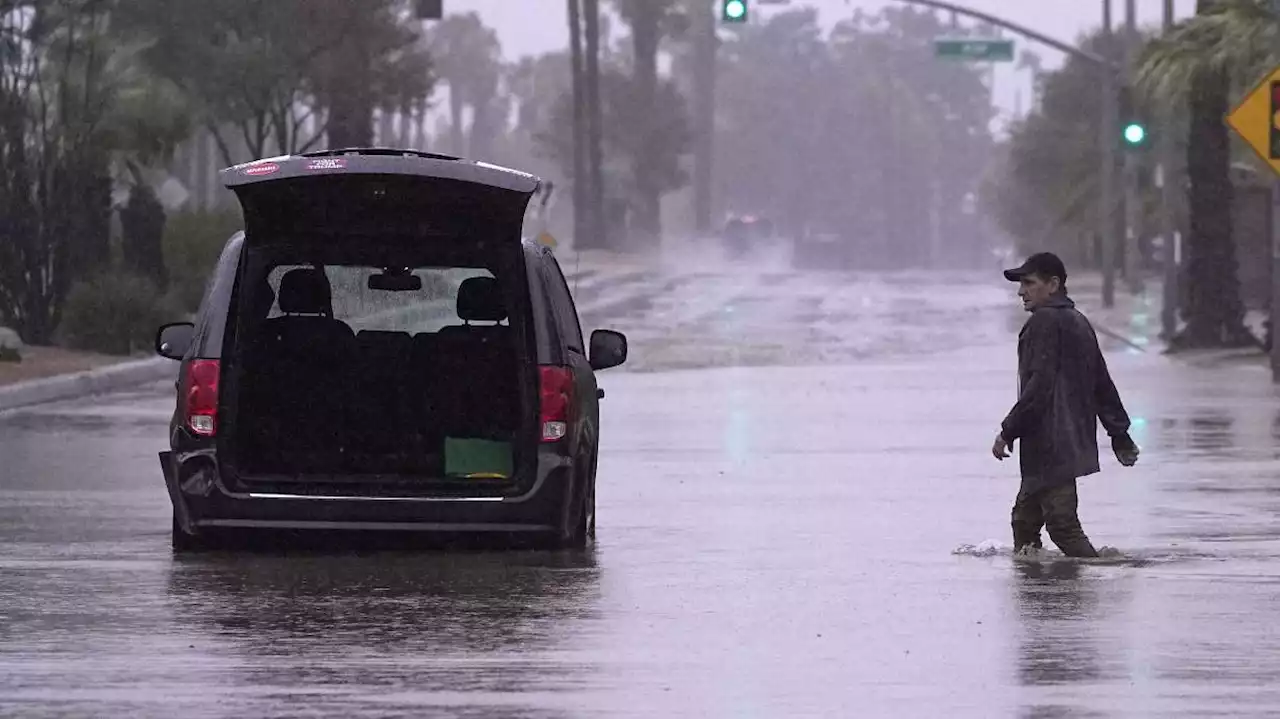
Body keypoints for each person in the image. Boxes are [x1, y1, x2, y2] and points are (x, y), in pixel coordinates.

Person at [992, 252, 1140, 558]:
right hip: (1068, 441)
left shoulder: (1044, 322)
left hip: (1051, 444)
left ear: (1053, 284)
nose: (1021, 291)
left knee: (1062, 526)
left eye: (1029, 283)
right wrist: (1119, 433)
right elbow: (1102, 382)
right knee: (1024, 521)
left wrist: (1008, 431)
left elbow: (1039, 388)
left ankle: (1077, 597)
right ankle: (1040, 591)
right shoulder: (1078, 321)